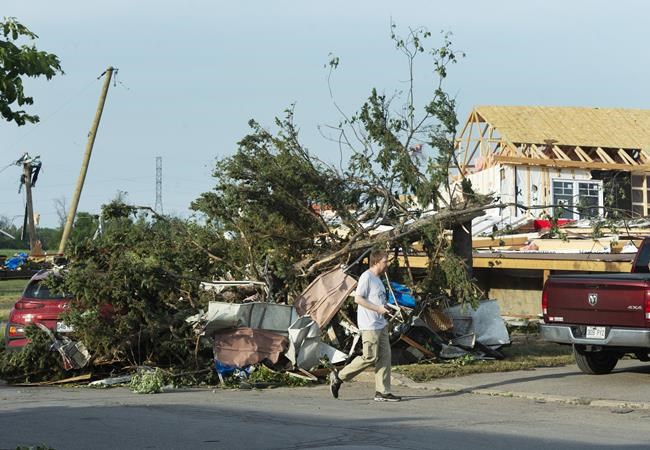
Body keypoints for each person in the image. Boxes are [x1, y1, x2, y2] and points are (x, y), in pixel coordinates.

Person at [329, 249, 401, 402]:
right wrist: (377, 309)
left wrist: (386, 308)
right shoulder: (366, 277)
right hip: (370, 325)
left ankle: (382, 391)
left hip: (380, 324)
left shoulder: (378, 279)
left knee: (385, 357)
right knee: (369, 357)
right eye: (385, 261)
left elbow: (377, 301)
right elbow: (358, 299)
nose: (387, 264)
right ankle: (339, 377)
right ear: (376, 262)